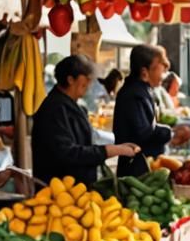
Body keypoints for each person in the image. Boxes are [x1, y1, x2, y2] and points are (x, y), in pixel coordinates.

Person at [32, 54, 139, 187]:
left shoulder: (70, 105)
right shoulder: (54, 109)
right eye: (86, 78)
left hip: (76, 189)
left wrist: (117, 147)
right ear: (70, 79)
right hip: (60, 192)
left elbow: (86, 142)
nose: (89, 82)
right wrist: (111, 150)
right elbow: (67, 153)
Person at [113, 45, 190, 177]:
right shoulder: (134, 95)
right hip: (136, 170)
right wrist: (170, 133)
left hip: (143, 165)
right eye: (161, 71)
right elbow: (142, 133)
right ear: (144, 73)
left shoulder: (141, 90)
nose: (163, 76)